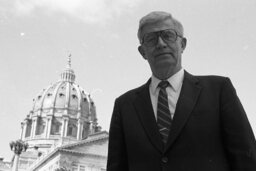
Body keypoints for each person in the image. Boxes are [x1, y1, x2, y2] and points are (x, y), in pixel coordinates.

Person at [107, 11, 256, 171]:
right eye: (151, 39)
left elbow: (246, 159)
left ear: (183, 44)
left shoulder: (219, 90)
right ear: (142, 51)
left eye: (168, 35)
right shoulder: (124, 106)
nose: (161, 43)